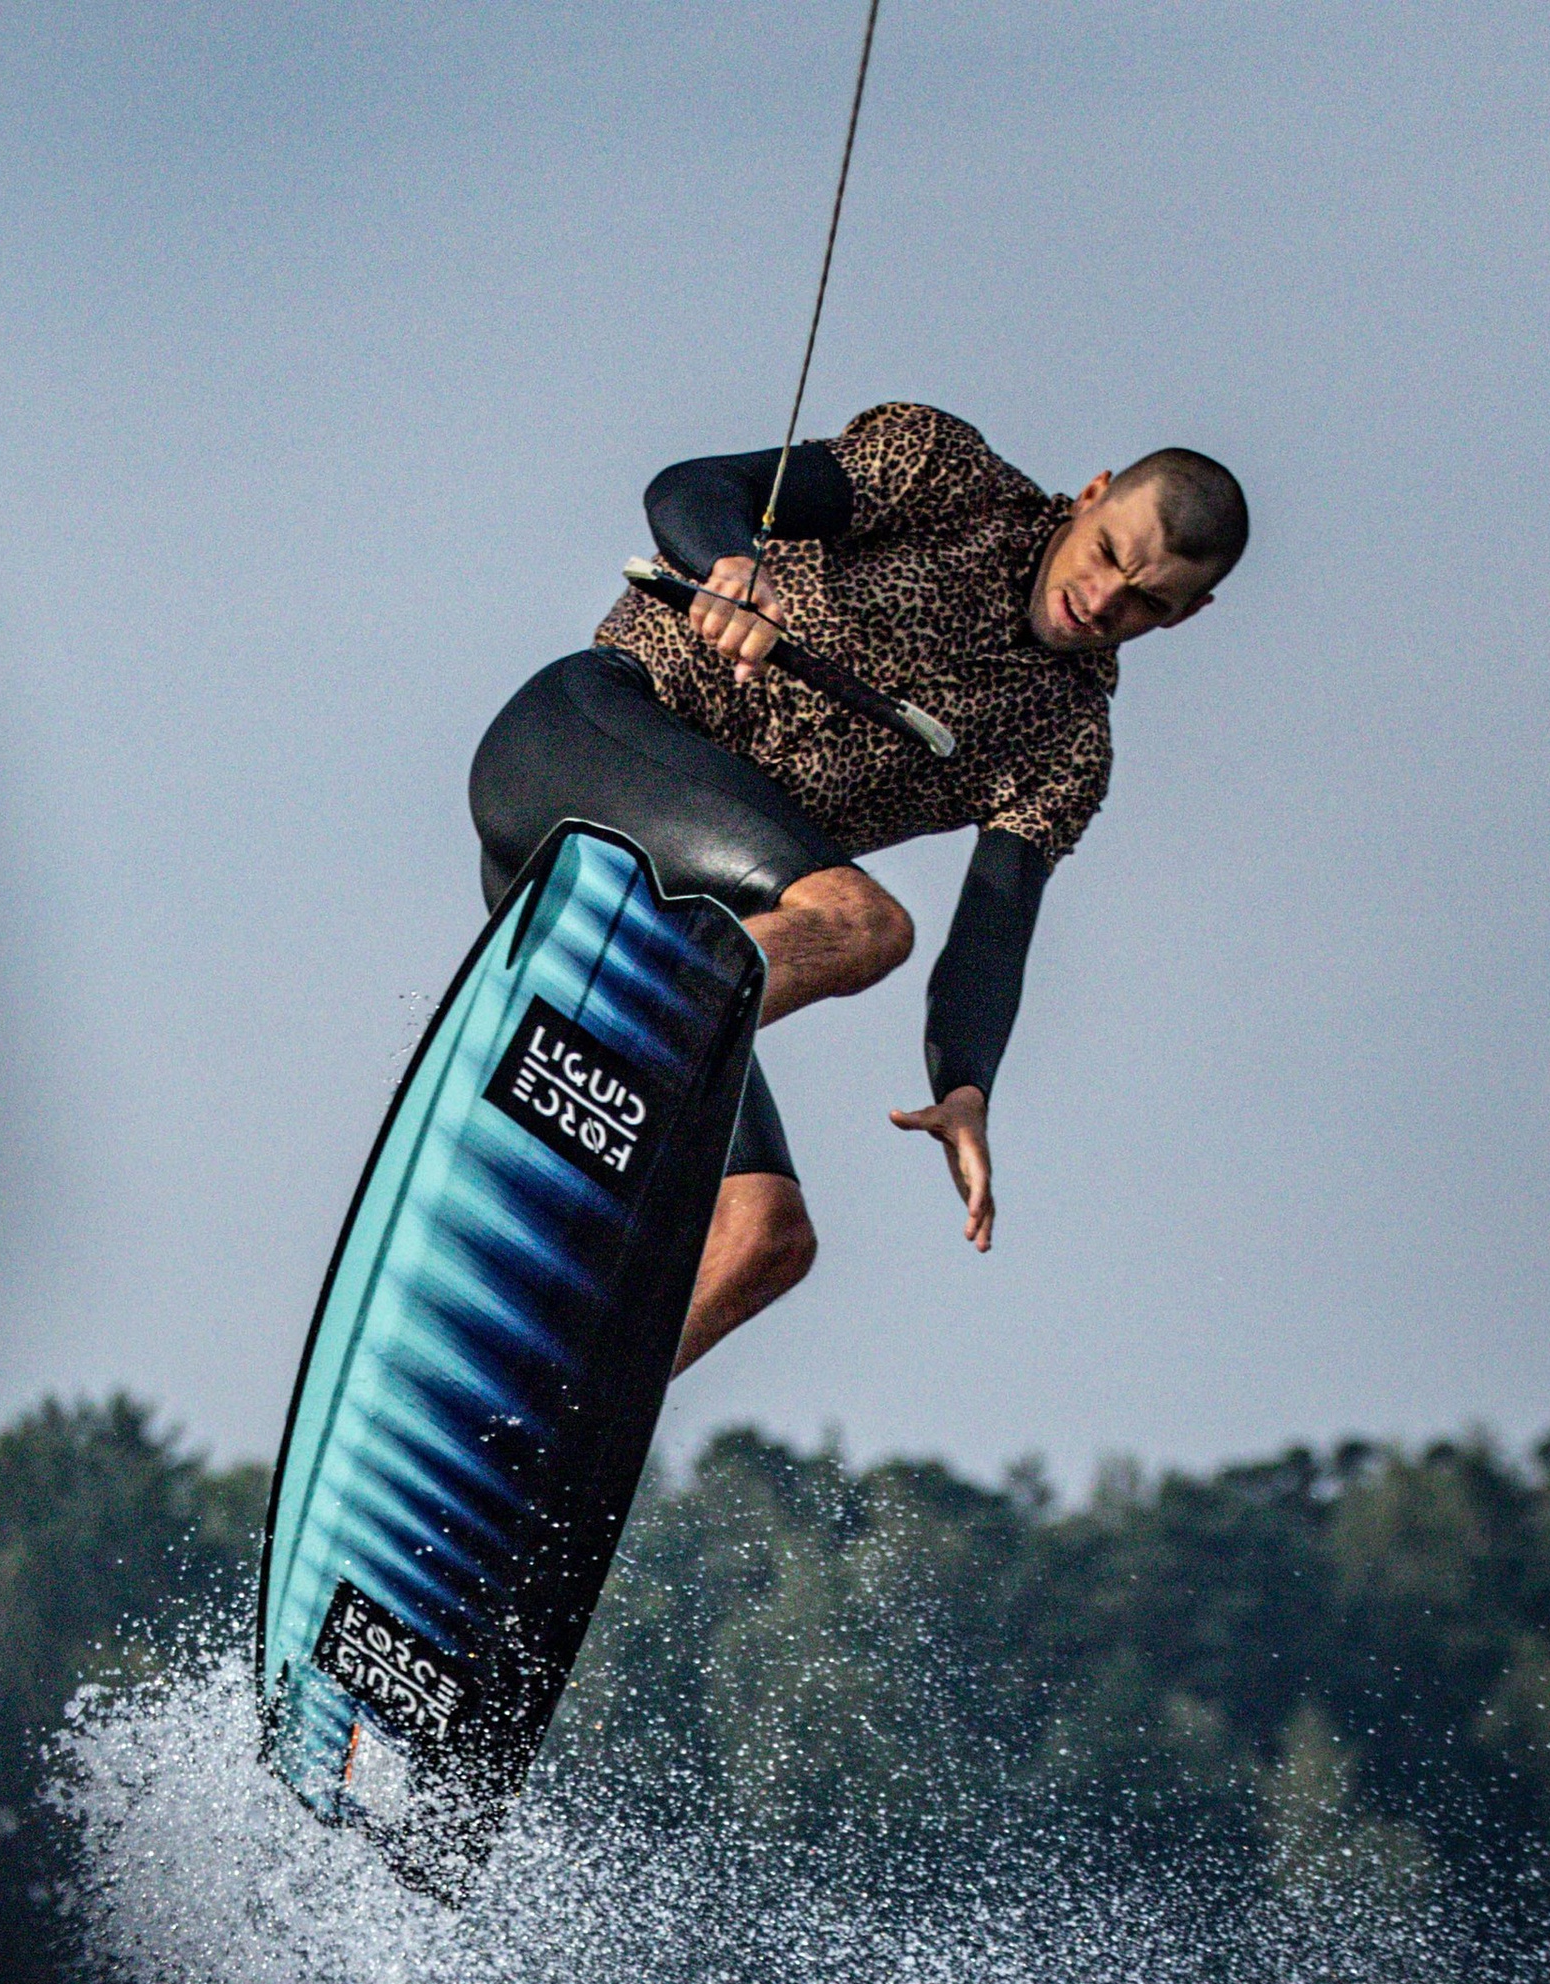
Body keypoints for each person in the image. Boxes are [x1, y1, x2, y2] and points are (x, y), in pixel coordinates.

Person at [468, 404, 1247, 1373]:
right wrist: (732, 566)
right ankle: (620, 1028)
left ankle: (562, 1409)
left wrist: (964, 1086)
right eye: (1106, 556)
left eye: (1146, 604)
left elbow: (995, 930)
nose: (1101, 601)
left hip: (663, 921)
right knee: (862, 924)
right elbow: (692, 488)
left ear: (1187, 616)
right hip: (580, 752)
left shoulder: (1065, 743)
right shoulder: (946, 475)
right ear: (1091, 495)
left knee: (766, 1240)